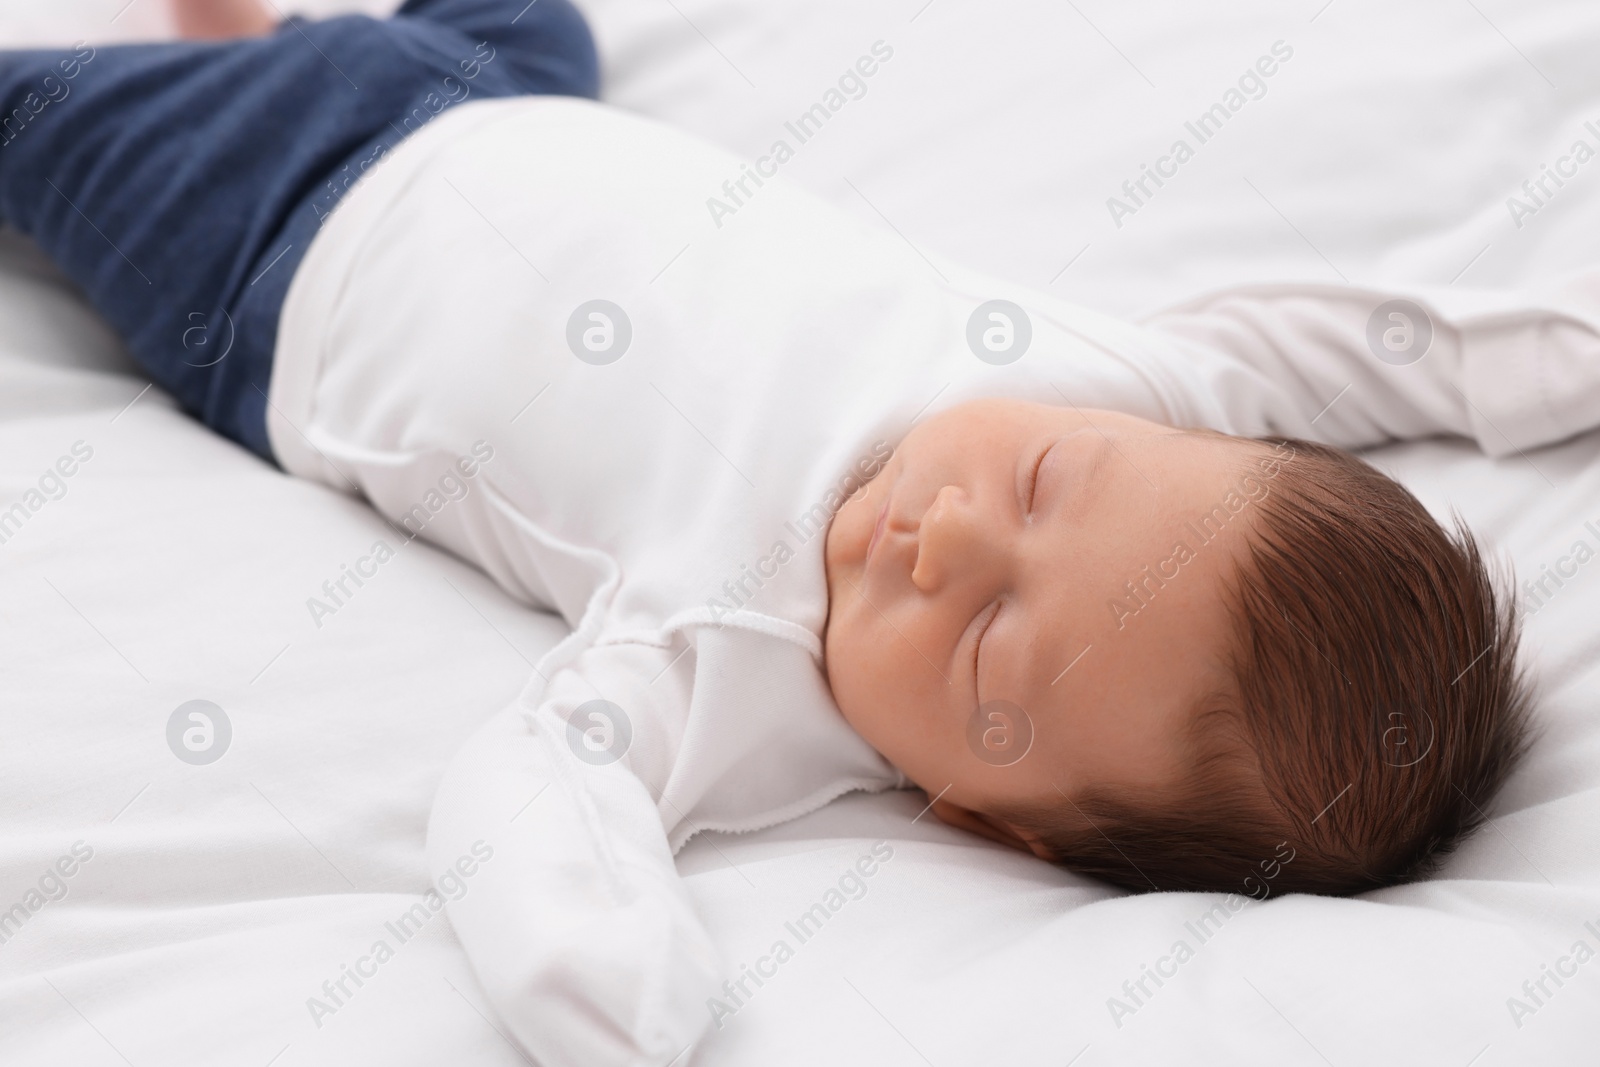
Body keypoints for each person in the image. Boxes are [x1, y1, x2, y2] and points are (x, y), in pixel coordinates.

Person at [9, 1, 1597, 1061]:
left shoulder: (741, 672)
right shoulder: (1135, 391)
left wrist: (613, 988)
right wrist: (1535, 366)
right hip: (510, 95)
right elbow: (1325, 339)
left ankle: (210, 51)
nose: (946, 542)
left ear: (994, 821)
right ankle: (236, 24)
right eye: (1041, 484)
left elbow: (535, 787)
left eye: (984, 643)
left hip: (272, 242)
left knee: (44, 124)